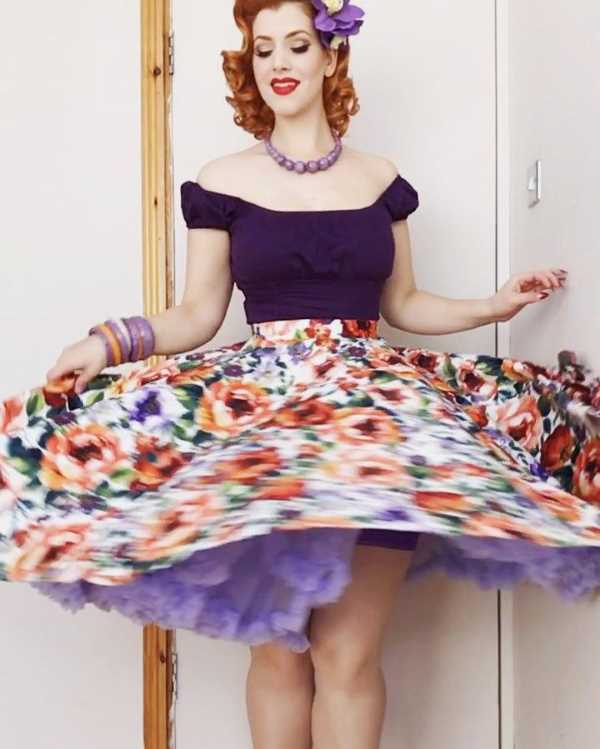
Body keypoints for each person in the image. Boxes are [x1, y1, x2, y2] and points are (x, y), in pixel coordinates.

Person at [1, 1, 599, 747]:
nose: (279, 64)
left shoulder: (381, 180)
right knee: (280, 649)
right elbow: (197, 314)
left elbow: (403, 304)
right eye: (263, 50)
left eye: (296, 45)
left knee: (347, 654)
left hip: (375, 433)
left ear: (329, 56)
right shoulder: (222, 180)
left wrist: (493, 303)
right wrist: (107, 341)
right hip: (267, 431)